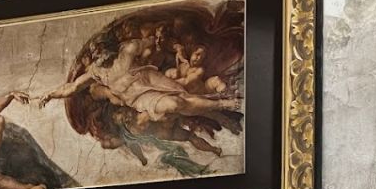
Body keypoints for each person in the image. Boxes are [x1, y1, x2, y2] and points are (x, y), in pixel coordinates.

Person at [39, 34, 241, 126]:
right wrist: (50, 94)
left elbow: (153, 41)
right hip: (136, 97)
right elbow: (72, 87)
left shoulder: (127, 49)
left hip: (150, 79)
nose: (97, 54)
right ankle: (220, 106)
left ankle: (224, 104)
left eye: (99, 49)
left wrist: (170, 47)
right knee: (174, 104)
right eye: (95, 52)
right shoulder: (95, 72)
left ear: (109, 47)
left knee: (184, 96)